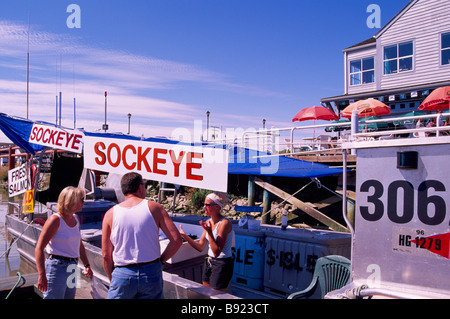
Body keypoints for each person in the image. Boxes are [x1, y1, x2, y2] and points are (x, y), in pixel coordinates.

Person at [102, 172, 182, 299]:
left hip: (122, 272)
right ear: (140, 187)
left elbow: (106, 255)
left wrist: (113, 278)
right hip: (151, 272)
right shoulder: (155, 208)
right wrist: (161, 261)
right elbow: (177, 240)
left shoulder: (110, 214)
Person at [35, 186, 93, 299]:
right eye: (81, 199)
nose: (83, 202)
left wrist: (87, 265)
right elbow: (39, 248)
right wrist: (42, 275)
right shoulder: (55, 220)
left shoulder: (76, 219)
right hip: (57, 267)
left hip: (73, 266)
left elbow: (79, 245)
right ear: (72, 201)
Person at [179, 192, 234, 291]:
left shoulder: (224, 223)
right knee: (205, 292)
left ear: (217, 207)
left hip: (222, 263)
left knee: (215, 296)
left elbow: (217, 252)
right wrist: (185, 236)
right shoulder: (209, 221)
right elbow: (200, 246)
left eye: (207, 205)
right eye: (203, 204)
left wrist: (209, 232)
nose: (204, 207)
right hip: (209, 261)